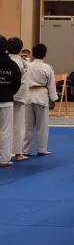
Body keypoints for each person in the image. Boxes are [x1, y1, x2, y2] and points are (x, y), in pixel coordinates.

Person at [24, 43, 57, 157]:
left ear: (33, 54)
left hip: (28, 96)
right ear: (44, 54)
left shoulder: (27, 66)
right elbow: (51, 85)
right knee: (42, 125)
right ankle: (41, 149)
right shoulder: (47, 67)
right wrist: (53, 99)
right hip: (41, 97)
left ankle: (25, 150)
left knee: (27, 125)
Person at [0, 35, 22, 167]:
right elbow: (17, 82)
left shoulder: (13, 64)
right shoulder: (12, 65)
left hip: (7, 98)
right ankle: (4, 159)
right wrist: (9, 92)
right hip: (7, 100)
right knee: (6, 130)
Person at [6, 37, 29, 162]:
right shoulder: (23, 63)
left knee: (4, 125)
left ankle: (4, 152)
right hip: (18, 96)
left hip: (5, 96)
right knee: (18, 125)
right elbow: (24, 81)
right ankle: (18, 153)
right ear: (20, 49)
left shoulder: (5, 60)